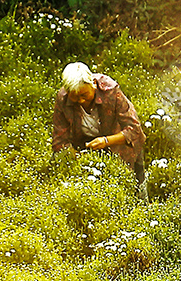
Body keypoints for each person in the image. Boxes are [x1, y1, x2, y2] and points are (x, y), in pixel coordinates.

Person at [52, 62, 148, 201]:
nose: (81, 100)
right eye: (75, 97)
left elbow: (134, 130)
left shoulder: (111, 91)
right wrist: (76, 157)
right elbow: (59, 140)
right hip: (85, 148)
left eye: (84, 94)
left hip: (121, 148)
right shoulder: (63, 98)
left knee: (135, 194)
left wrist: (106, 141)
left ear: (94, 85)